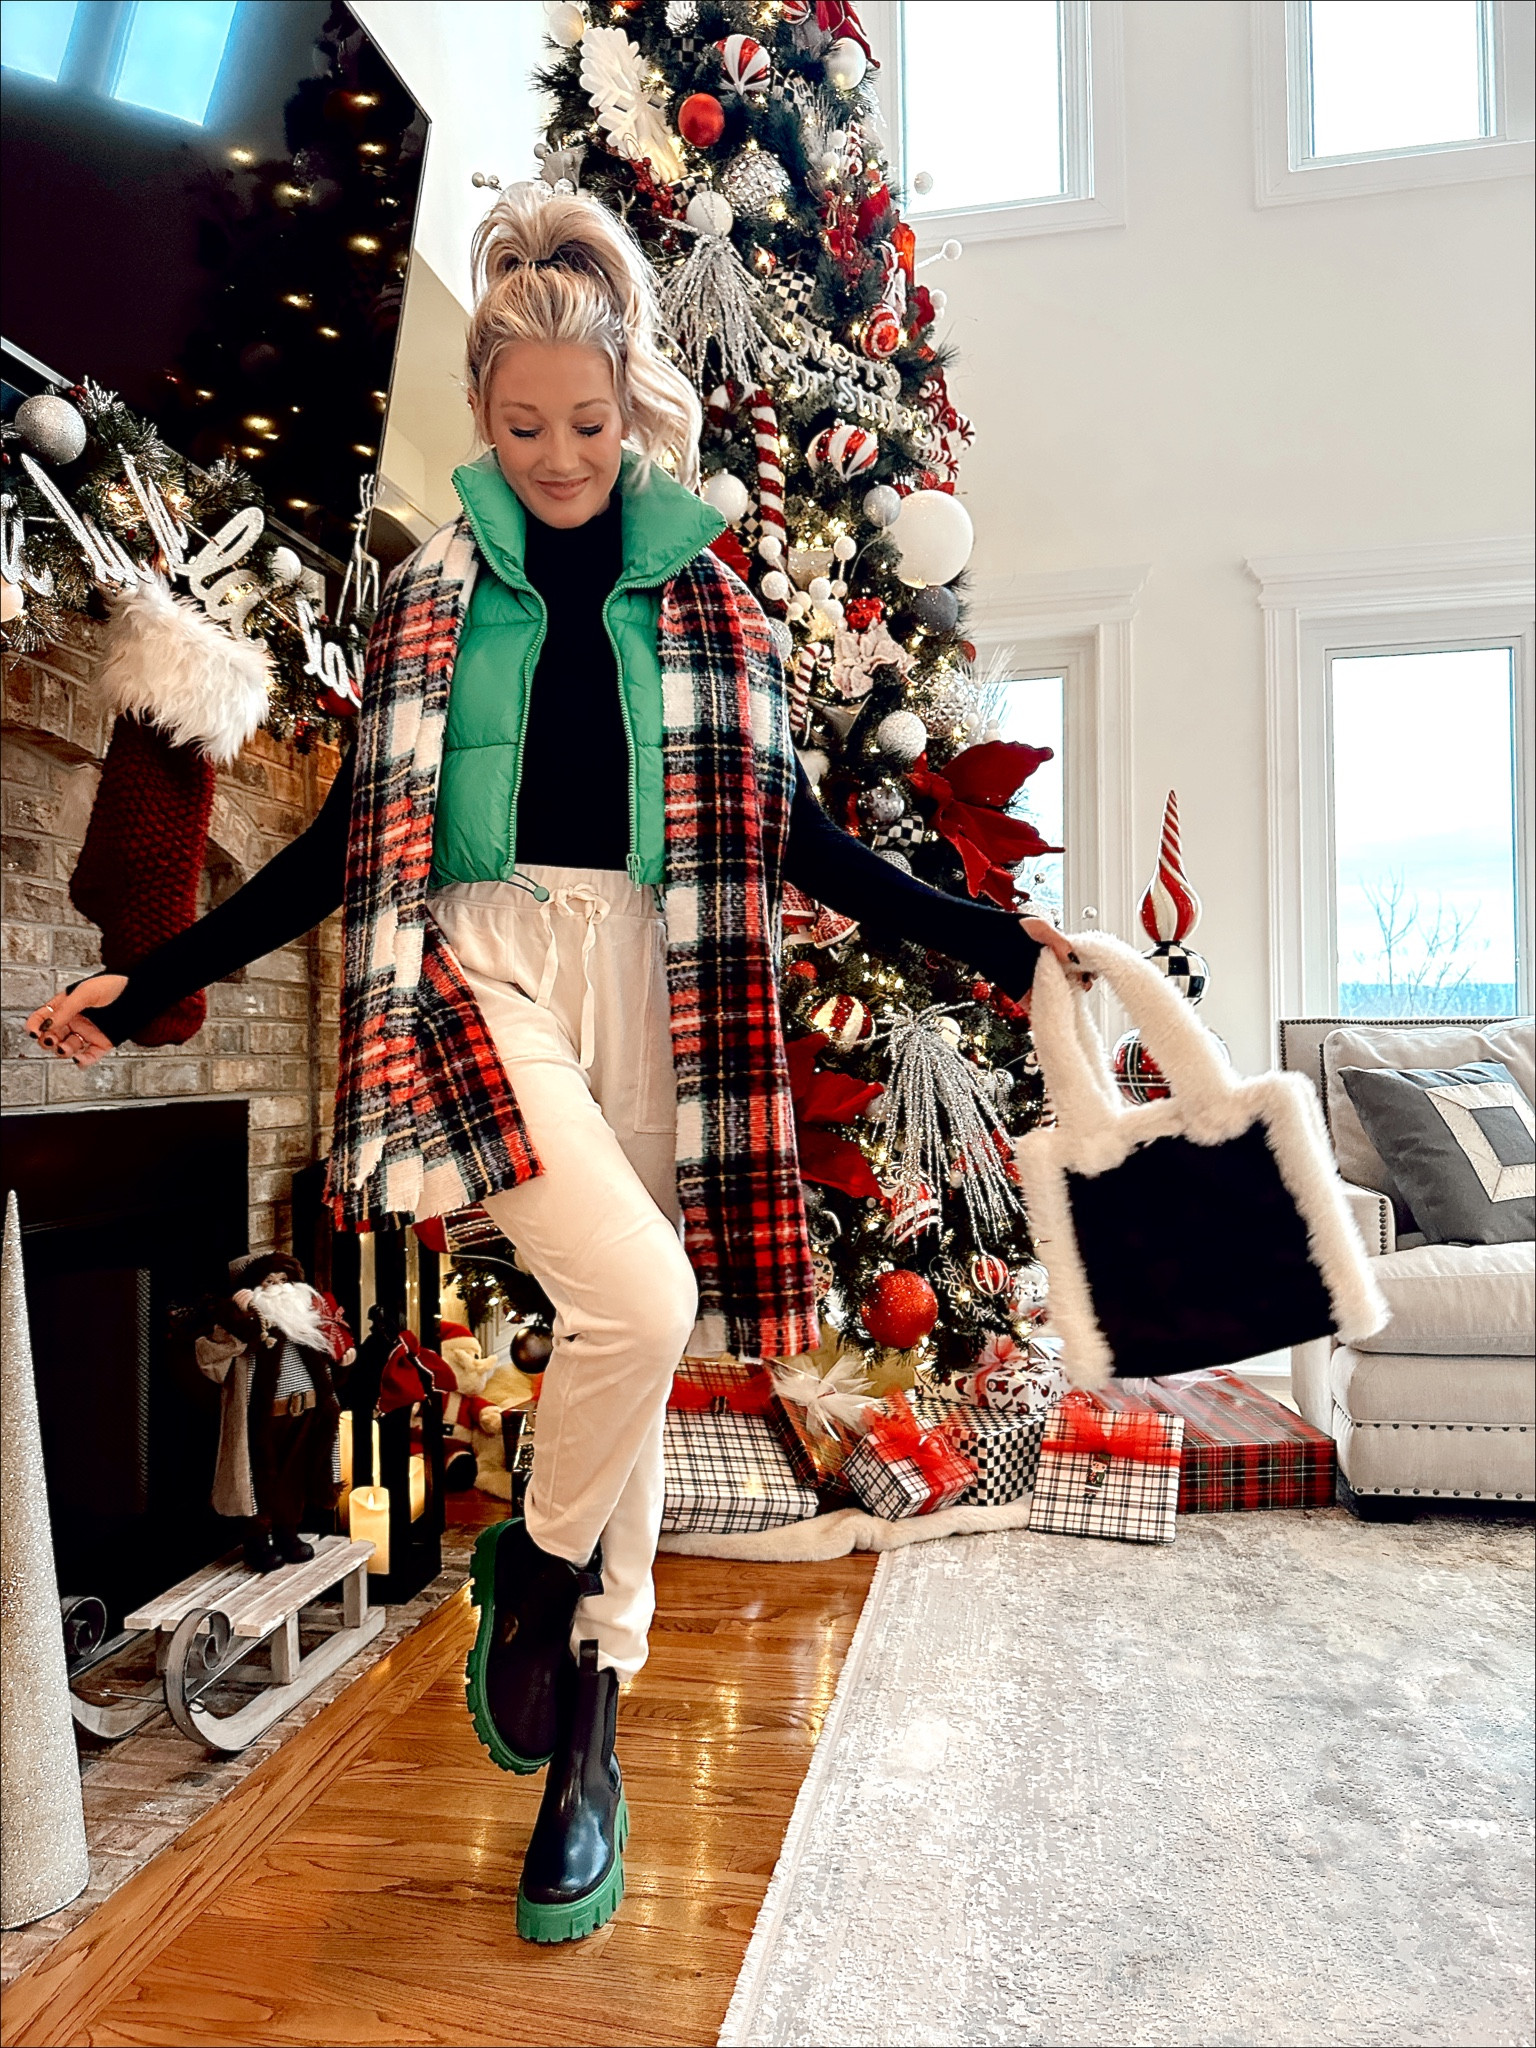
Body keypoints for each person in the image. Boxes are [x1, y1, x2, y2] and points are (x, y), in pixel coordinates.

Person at [27, 185, 1087, 1946]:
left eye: (586, 422)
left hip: (670, 982)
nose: (556, 454)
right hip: (486, 964)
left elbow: (805, 844)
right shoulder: (432, 605)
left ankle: (590, 1739)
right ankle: (536, 1561)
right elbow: (338, 847)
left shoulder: (720, 610)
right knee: (645, 1298)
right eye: (519, 425)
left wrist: (998, 938)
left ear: (634, 399)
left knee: (621, 1335)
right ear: (486, 413)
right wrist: (157, 978)